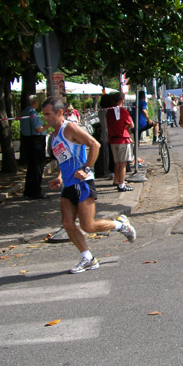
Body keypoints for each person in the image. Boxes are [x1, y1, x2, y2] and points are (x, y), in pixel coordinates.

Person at [42, 97, 136, 274]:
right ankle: (88, 258)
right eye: (44, 114)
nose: (45, 118)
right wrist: (60, 177)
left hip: (83, 183)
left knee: (88, 226)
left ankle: (120, 225)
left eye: (48, 114)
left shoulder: (69, 128)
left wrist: (86, 168)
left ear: (60, 113)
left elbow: (95, 144)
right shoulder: (53, 136)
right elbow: (65, 160)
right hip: (68, 185)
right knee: (67, 223)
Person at [20, 95, 49, 199]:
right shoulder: (33, 113)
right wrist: (48, 125)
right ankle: (36, 191)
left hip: (27, 140)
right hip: (35, 141)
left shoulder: (24, 112)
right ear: (35, 102)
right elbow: (38, 129)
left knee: (31, 167)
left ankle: (28, 191)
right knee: (37, 166)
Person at [106, 91, 134, 192]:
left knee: (116, 162)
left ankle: (117, 180)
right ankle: (122, 184)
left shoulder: (109, 112)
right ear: (122, 100)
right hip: (122, 139)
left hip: (113, 139)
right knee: (123, 164)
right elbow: (131, 125)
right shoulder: (123, 111)